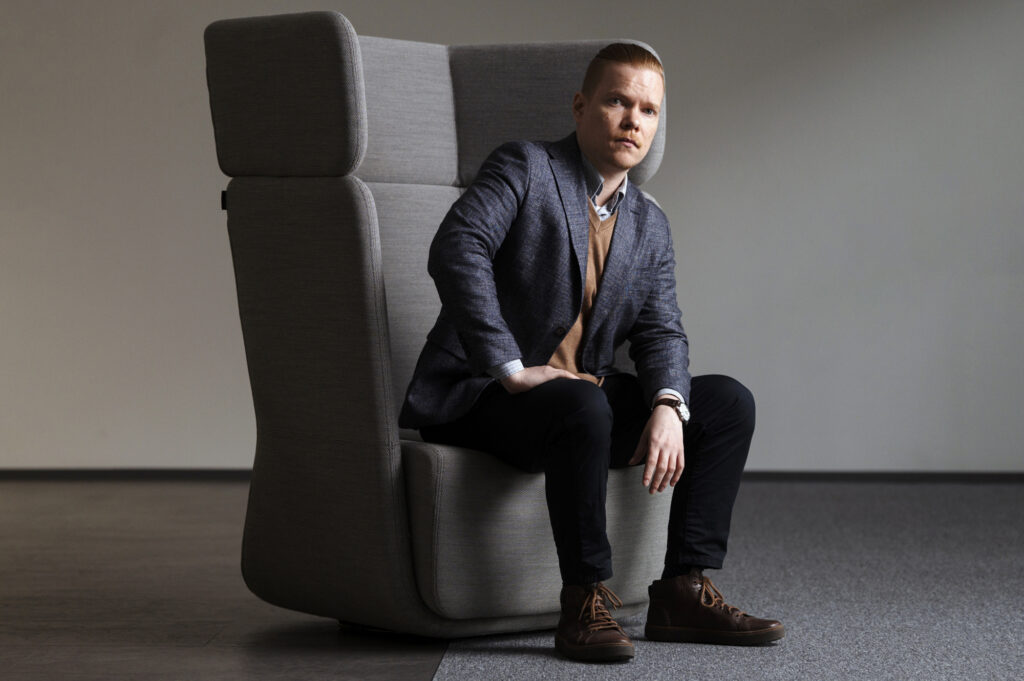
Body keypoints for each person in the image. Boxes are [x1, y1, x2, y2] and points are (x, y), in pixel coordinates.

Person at [398, 43, 784, 662]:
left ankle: (682, 590)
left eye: (648, 110)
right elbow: (457, 246)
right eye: (617, 102)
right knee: (583, 403)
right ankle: (584, 599)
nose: (633, 121)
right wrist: (510, 367)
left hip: (581, 403)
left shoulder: (650, 224)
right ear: (581, 107)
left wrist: (668, 404)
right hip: (483, 396)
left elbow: (662, 331)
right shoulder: (526, 167)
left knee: (725, 403)